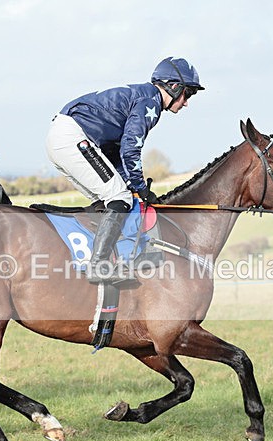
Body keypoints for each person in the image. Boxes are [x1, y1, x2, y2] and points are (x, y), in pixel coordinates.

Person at [46, 56, 204, 283]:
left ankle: (110, 259)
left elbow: (116, 151)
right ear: (174, 86)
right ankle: (98, 266)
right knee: (119, 197)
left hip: (64, 137)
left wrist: (133, 187)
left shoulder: (144, 97)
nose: (187, 102)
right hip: (74, 137)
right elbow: (131, 150)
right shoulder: (150, 103)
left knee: (112, 200)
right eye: (188, 94)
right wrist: (140, 187)